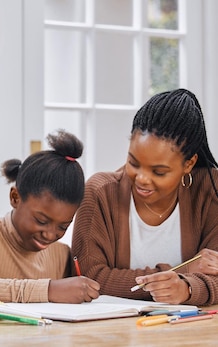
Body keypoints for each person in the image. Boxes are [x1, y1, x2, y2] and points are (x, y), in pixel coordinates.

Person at [72, 88, 218, 306]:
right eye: (133, 162)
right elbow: (90, 278)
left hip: (192, 330)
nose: (141, 179)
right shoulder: (100, 193)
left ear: (189, 164)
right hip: (112, 332)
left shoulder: (211, 191)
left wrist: (187, 289)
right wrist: (182, 272)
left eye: (158, 172)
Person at [0, 130, 100, 303]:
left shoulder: (61, 254)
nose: (50, 235)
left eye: (63, 227)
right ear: (15, 197)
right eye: (41, 220)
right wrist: (48, 290)